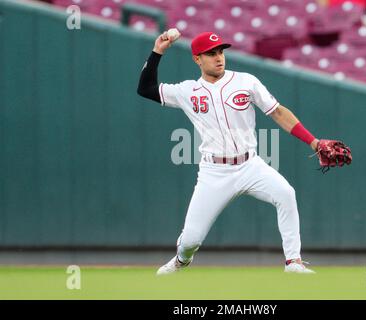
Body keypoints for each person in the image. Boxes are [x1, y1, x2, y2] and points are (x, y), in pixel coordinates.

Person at [137, 31, 326, 275]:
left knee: (286, 194)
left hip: (250, 165)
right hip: (214, 172)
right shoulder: (188, 91)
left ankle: (293, 262)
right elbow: (146, 88)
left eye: (221, 52)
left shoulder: (246, 81)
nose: (219, 58)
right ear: (197, 59)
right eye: (211, 53)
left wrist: (314, 142)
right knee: (191, 240)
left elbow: (278, 112)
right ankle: (181, 260)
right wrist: (158, 51)